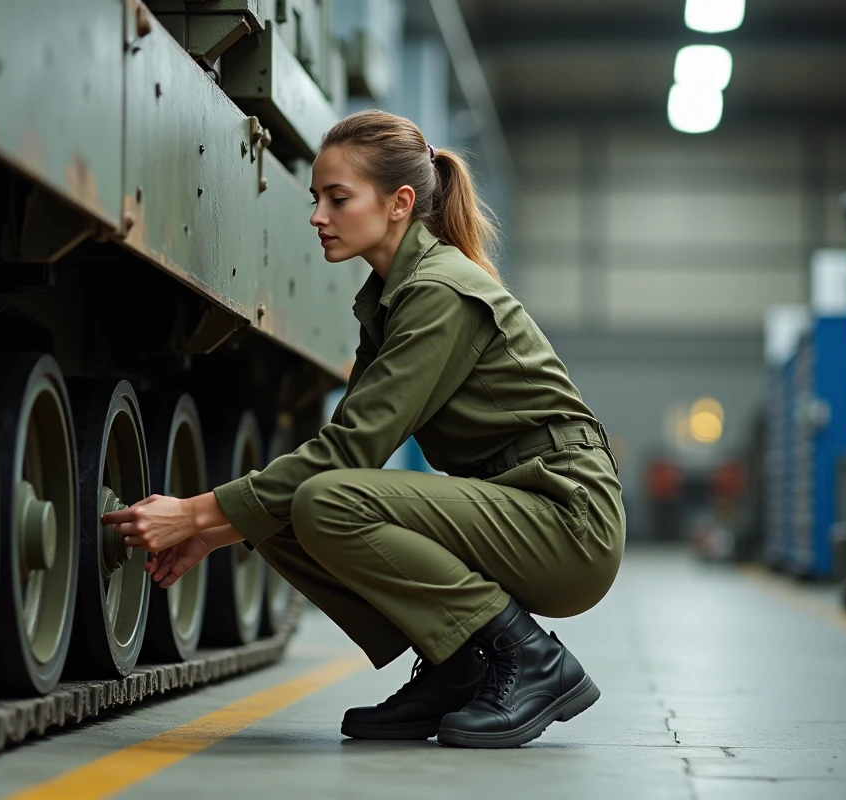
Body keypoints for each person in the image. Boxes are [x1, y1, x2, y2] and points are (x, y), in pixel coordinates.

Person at [101, 109, 625, 749]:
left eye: (336, 198)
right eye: (317, 197)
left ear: (400, 203)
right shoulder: (390, 297)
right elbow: (344, 446)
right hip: (518, 507)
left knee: (322, 498)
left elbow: (350, 451)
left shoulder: (439, 292)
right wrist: (217, 532)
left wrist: (198, 513)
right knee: (283, 508)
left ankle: (535, 661)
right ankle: (457, 666)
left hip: (567, 519)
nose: (316, 215)